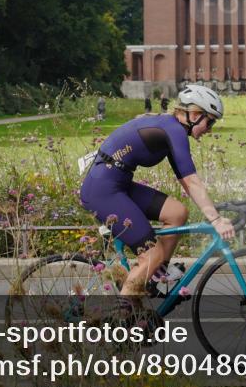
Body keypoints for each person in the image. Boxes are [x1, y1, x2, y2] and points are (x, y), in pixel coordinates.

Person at [79, 84, 233, 302]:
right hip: (102, 191)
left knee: (177, 213)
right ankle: (124, 319)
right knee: (152, 254)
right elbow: (191, 181)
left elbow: (186, 180)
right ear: (195, 115)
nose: (210, 129)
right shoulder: (174, 131)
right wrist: (216, 219)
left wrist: (212, 213)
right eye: (210, 121)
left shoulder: (171, 129)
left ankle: (152, 279)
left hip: (117, 184)